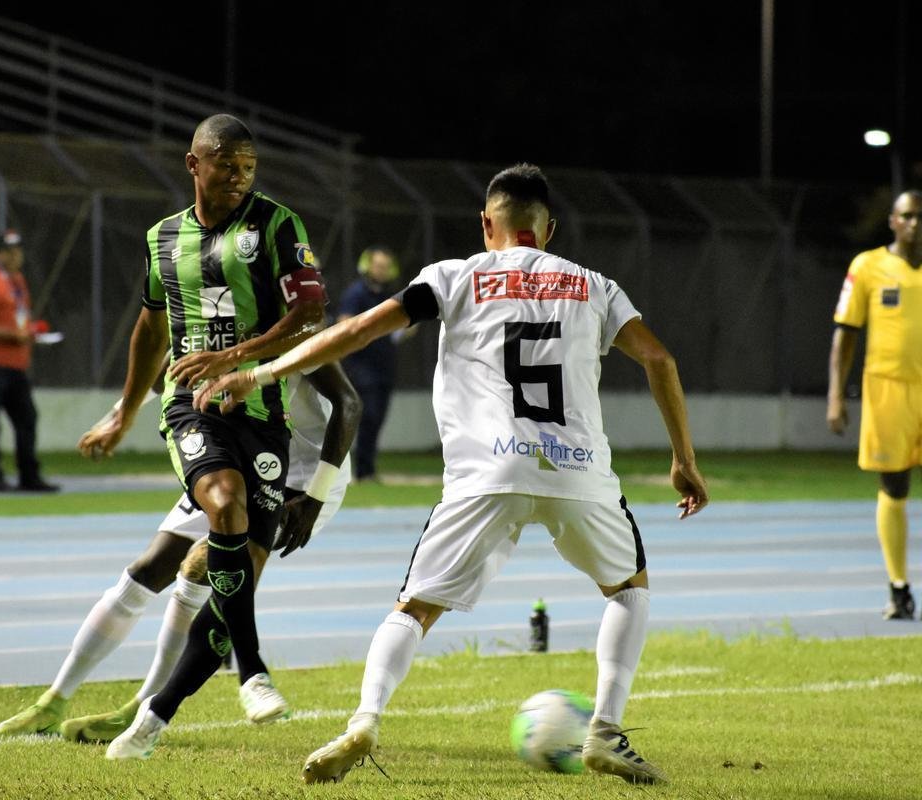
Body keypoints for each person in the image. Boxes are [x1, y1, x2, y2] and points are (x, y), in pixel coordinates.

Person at [198, 163, 709, 785]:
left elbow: (356, 331)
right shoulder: (596, 286)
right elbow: (660, 359)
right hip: (578, 472)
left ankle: (364, 721)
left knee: (413, 609)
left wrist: (262, 372)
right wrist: (682, 458)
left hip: (485, 473)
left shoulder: (453, 277)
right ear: (548, 232)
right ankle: (605, 729)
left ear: (487, 224)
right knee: (630, 589)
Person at [73, 114, 327, 759]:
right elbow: (150, 329)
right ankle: (253, 671)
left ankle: (152, 720)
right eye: (227, 164)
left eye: (249, 166)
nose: (240, 177)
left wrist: (237, 357)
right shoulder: (162, 240)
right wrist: (125, 410)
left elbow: (311, 316)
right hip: (191, 408)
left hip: (268, 418)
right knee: (223, 505)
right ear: (195, 164)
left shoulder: (276, 226)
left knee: (231, 557)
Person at [0, 366, 359, 742]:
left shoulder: (291, 319)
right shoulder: (205, 314)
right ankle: (52, 702)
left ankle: (142, 708)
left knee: (204, 566)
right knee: (148, 568)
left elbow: (348, 401)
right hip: (238, 455)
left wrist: (316, 494)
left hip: (302, 479)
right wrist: (120, 415)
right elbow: (168, 363)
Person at [827, 189, 922, 621]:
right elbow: (845, 333)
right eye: (908, 216)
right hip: (888, 390)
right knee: (895, 487)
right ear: (893, 221)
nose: (915, 223)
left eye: (921, 216)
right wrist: (835, 394)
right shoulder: (867, 267)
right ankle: (899, 588)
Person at [0, 230, 58, 493]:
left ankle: (29, 475)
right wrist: (13, 334)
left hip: (15, 363)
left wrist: (31, 332)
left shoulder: (17, 281)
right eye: (11, 251)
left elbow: (18, 317)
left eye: (19, 250)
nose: (17, 256)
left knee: (27, 417)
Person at [337, 246, 403, 480]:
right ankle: (363, 470)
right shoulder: (356, 293)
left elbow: (406, 326)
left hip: (385, 367)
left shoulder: (391, 295)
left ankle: (367, 469)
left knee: (377, 418)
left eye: (386, 267)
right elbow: (344, 323)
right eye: (378, 266)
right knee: (369, 416)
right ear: (367, 266)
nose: (382, 271)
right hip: (361, 366)